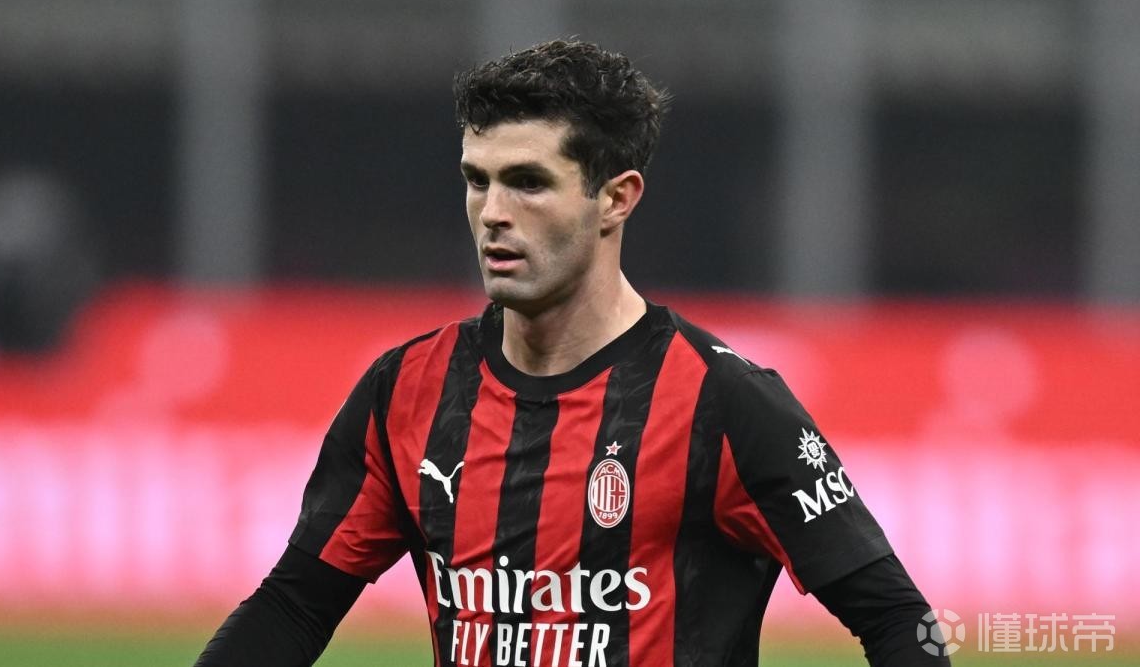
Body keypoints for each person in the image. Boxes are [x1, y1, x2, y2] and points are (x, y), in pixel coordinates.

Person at [196, 39, 949, 667]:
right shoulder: (408, 390)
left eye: (529, 183)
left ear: (616, 198)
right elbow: (293, 607)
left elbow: (897, 622)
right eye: (477, 181)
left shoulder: (723, 401)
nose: (493, 214)